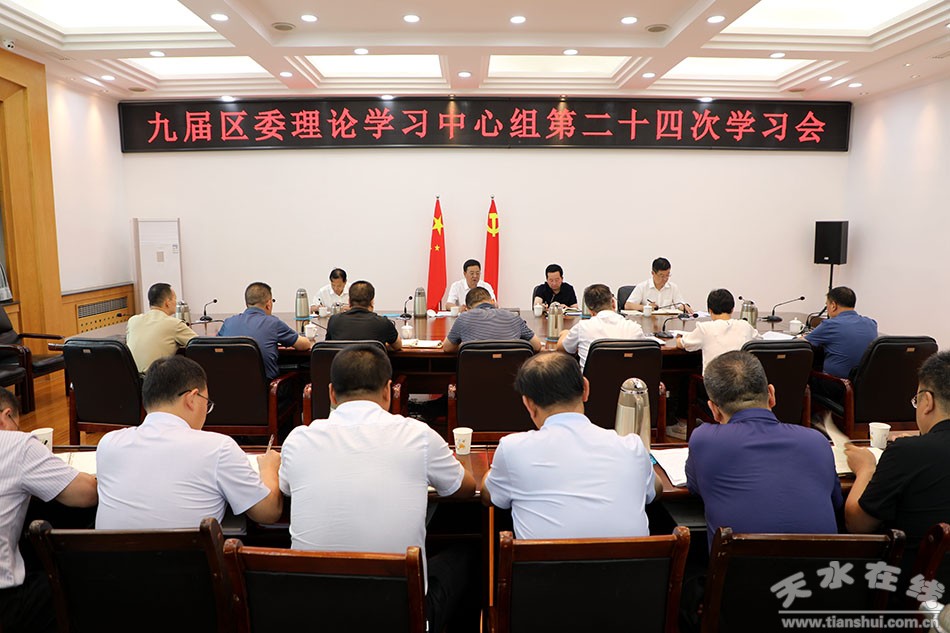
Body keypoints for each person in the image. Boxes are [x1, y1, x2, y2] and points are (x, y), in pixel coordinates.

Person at [279, 345, 476, 633]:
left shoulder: (298, 440)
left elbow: (285, 488)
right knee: (469, 553)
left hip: (314, 615)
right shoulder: (418, 435)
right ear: (388, 391)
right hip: (399, 616)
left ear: (331, 393)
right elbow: (465, 488)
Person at [482, 352, 658, 539]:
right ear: (586, 389)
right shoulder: (632, 446)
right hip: (632, 559)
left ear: (528, 403)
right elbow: (655, 490)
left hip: (545, 559)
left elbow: (489, 496)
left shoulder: (512, 449)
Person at [96, 356, 282, 529]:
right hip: (188, 555)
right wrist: (269, 468)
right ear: (191, 399)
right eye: (206, 403)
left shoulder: (108, 444)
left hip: (109, 555)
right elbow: (268, 512)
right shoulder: (218, 448)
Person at [686, 351, 842, 548]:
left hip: (740, 567)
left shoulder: (704, 439)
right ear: (771, 395)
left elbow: (695, 488)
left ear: (714, 409)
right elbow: (836, 502)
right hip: (822, 567)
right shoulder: (817, 441)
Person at [0, 387, 97, 633]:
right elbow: (87, 494)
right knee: (83, 582)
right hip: (6, 602)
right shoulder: (16, 444)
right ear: (6, 416)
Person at [845, 350, 950, 574]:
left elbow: (858, 524)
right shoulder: (913, 450)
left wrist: (865, 468)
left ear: (927, 401)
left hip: (915, 587)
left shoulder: (907, 453)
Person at [217, 281, 311, 380]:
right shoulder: (272, 323)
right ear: (268, 304)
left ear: (246, 303)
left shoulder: (228, 322)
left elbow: (214, 345)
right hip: (266, 386)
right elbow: (304, 345)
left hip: (229, 384)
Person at [557, 283, 644, 369]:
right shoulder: (635, 328)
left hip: (591, 378)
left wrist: (565, 333)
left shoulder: (583, 327)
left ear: (589, 310)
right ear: (613, 303)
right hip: (627, 378)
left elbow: (563, 348)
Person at [676, 288, 760, 370]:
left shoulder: (705, 329)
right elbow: (760, 340)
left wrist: (678, 338)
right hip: (742, 377)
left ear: (710, 310)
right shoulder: (745, 326)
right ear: (732, 309)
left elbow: (682, 344)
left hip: (714, 379)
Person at [805, 286, 878, 379]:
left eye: (827, 305)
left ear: (833, 305)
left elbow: (802, 343)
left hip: (835, 382)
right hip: (863, 382)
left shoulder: (831, 324)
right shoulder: (871, 323)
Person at [442, 287, 542, 353]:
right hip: (510, 377)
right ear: (493, 302)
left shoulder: (463, 318)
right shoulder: (513, 317)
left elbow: (447, 348)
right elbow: (537, 345)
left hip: (474, 378)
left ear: (466, 308)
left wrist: (466, 345)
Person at [126, 282, 198, 373]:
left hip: (131, 378)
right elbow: (199, 344)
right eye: (175, 299)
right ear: (167, 302)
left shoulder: (133, 321)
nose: (176, 302)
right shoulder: (174, 324)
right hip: (157, 378)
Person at [325, 280, 402, 350]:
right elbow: (397, 346)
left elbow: (328, 346)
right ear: (372, 302)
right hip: (373, 361)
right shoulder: (383, 323)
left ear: (349, 301)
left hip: (342, 361)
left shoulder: (334, 321)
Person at [624, 257, 690, 313]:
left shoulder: (673, 287)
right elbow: (627, 305)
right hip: (647, 321)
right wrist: (646, 307)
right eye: (662, 276)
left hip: (666, 321)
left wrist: (684, 307)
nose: (665, 279)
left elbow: (679, 304)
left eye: (667, 275)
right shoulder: (642, 287)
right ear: (653, 273)